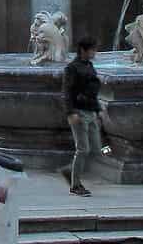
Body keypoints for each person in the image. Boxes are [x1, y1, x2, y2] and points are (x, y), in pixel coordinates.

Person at [61, 36, 102, 197]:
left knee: (97, 149)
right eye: (92, 49)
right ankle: (75, 185)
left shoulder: (89, 66)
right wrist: (70, 112)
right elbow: (66, 92)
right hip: (79, 113)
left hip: (91, 112)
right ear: (83, 50)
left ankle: (69, 170)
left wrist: (98, 112)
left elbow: (93, 90)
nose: (95, 52)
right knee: (82, 149)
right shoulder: (72, 68)